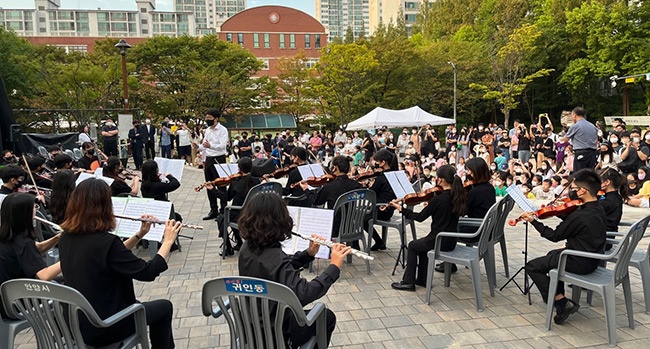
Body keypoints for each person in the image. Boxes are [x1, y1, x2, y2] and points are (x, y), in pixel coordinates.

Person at [59, 179, 181, 348]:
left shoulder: (66, 237)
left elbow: (111, 255)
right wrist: (167, 241)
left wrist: (140, 233)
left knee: (148, 306)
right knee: (164, 308)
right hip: (106, 325)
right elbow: (148, 272)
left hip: (76, 322)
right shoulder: (106, 242)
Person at [237, 192, 351, 348]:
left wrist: (308, 254)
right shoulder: (275, 257)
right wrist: (334, 267)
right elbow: (304, 293)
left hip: (250, 326)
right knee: (326, 317)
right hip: (276, 330)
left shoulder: (247, 248)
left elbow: (277, 268)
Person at [523, 169, 606, 325]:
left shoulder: (580, 216)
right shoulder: (598, 208)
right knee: (551, 255)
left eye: (573, 189)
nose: (571, 192)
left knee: (532, 266)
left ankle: (561, 302)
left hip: (579, 261)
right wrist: (558, 212)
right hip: (593, 258)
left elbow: (554, 236)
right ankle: (559, 294)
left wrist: (533, 221)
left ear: (583, 191)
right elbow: (576, 225)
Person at [390, 165, 468, 291]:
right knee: (422, 247)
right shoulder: (458, 196)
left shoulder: (438, 200)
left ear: (441, 180)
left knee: (413, 246)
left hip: (438, 241)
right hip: (451, 241)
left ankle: (408, 282)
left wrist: (401, 209)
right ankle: (422, 279)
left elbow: (420, 217)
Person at [0, 193, 62, 319]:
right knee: (69, 287)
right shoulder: (23, 243)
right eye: (34, 207)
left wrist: (57, 238)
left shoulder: (7, 235)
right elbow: (44, 276)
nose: (36, 210)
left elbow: (37, 248)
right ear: (24, 214)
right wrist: (70, 259)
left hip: (7, 300)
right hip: (22, 304)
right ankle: (62, 333)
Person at [207, 157, 260, 255]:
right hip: (253, 213)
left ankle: (228, 248)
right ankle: (239, 243)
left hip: (240, 214)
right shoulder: (256, 181)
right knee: (231, 214)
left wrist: (213, 189)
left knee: (221, 219)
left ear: (239, 169)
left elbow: (226, 198)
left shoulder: (236, 182)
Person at [193, 109, 228, 220]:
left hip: (219, 158)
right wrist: (198, 147)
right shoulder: (207, 130)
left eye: (209, 118)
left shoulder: (223, 130)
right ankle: (213, 210)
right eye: (206, 118)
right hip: (209, 159)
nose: (207, 120)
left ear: (216, 119)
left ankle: (223, 210)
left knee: (221, 185)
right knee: (209, 184)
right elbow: (205, 144)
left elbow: (223, 146)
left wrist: (210, 146)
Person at [365, 149, 398, 250]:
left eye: (377, 161)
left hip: (381, 210)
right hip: (390, 209)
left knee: (361, 219)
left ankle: (379, 242)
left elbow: (371, 193)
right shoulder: (394, 174)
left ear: (383, 162)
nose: (375, 164)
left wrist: (366, 185)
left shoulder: (382, 178)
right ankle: (379, 242)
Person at [562, 107, 598, 172]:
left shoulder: (576, 126)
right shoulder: (592, 126)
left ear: (574, 115)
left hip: (581, 152)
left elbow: (565, 139)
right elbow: (596, 140)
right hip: (592, 152)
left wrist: (572, 124)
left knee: (579, 174)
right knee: (590, 174)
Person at [598, 168, 626, 234]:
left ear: (607, 182)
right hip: (606, 235)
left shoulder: (607, 202)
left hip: (602, 237)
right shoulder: (617, 197)